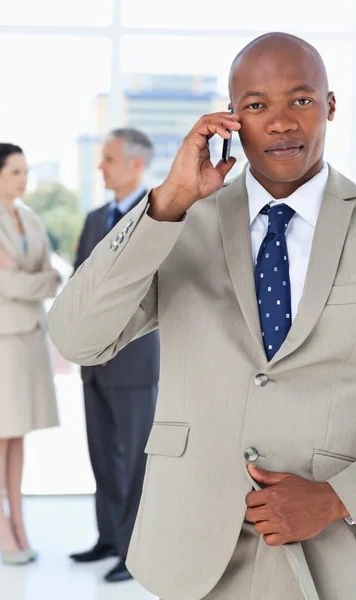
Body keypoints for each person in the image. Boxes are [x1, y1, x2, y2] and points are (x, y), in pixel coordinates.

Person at [47, 32, 356, 599]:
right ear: (231, 118)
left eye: (301, 100)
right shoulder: (176, 223)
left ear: (331, 106)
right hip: (193, 553)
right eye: (257, 106)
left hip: (335, 554)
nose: (282, 122)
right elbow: (75, 338)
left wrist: (340, 497)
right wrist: (167, 202)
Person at [68, 128, 160, 583]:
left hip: (134, 363)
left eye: (108, 158)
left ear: (135, 165)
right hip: (93, 366)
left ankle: (133, 551)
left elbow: (152, 291)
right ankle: (108, 537)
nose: (100, 166)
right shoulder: (93, 218)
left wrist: (112, 339)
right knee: (102, 454)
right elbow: (79, 287)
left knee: (138, 461)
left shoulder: (160, 215)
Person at [0, 143, 60, 566]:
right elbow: (6, 286)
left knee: (19, 432)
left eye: (25, 171)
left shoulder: (32, 218)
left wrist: (32, 277)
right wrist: (37, 279)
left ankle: (18, 523)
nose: (23, 179)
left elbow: (54, 274)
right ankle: (1, 528)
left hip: (30, 337)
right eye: (15, 172)